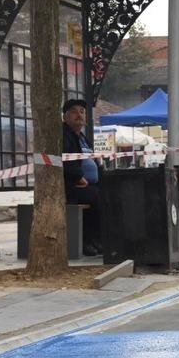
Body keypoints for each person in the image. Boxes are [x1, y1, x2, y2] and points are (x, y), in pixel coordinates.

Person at [61, 98, 102, 257]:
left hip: (90, 184)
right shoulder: (65, 135)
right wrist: (78, 177)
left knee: (110, 195)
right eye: (74, 111)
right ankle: (88, 242)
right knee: (95, 197)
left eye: (82, 112)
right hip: (72, 186)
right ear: (65, 117)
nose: (79, 115)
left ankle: (100, 240)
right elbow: (64, 160)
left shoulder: (83, 137)